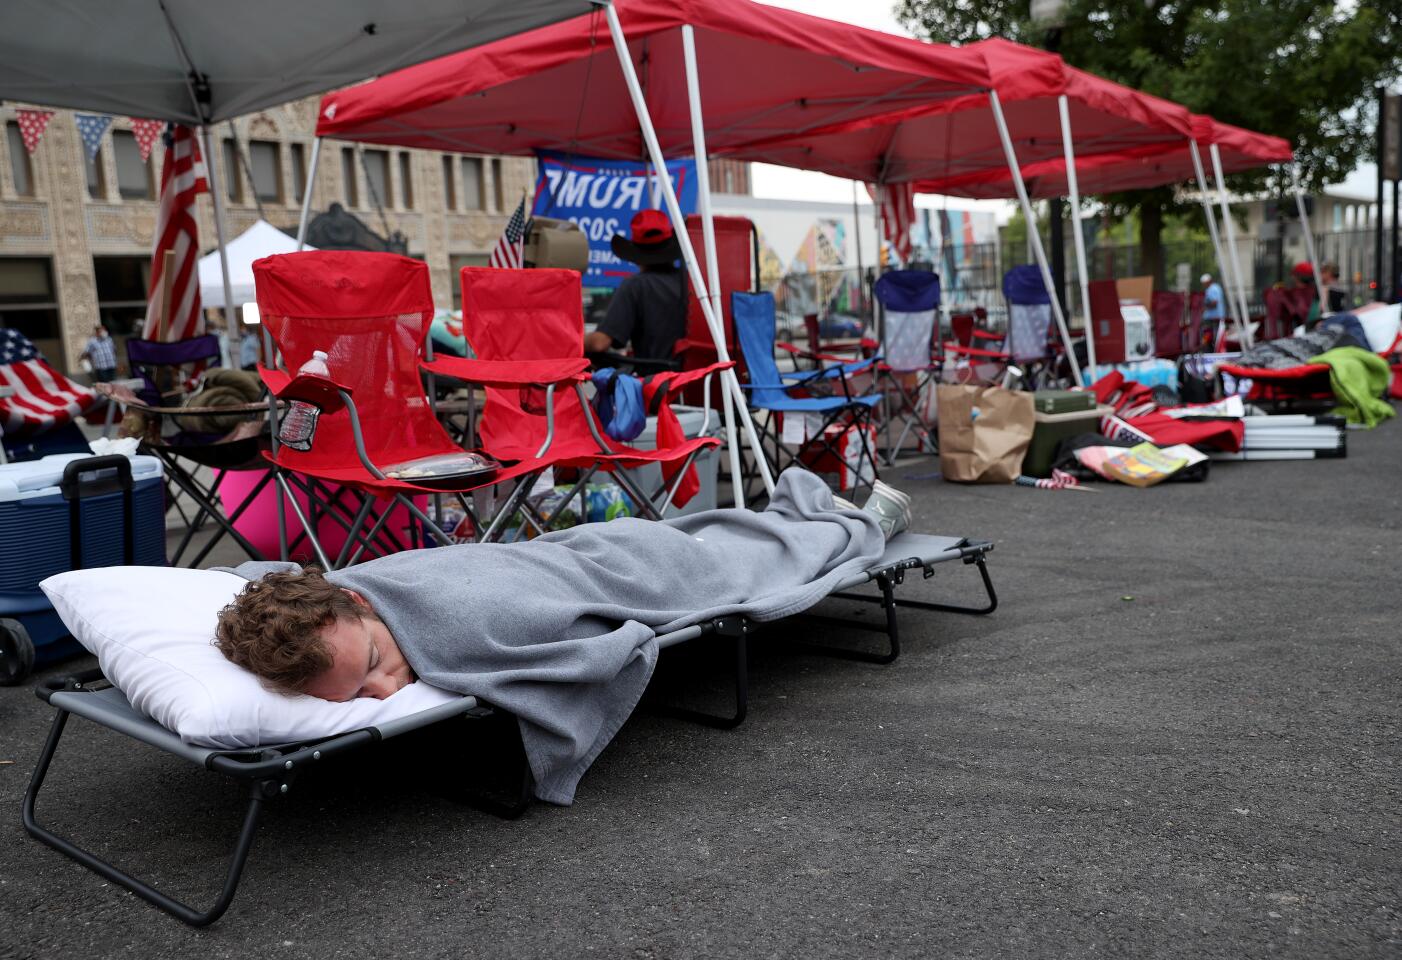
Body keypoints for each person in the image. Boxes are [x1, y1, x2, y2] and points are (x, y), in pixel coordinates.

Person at [213, 470, 911, 804]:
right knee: (724, 533)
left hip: (637, 566)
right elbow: (270, 585)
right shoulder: (340, 606)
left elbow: (612, 642)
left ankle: (850, 521)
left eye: (375, 661)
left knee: (749, 558)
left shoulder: (422, 613)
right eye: (359, 696)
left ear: (356, 600)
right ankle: (812, 518)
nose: (387, 688)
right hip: (584, 552)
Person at [583, 209, 689, 362]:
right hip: (696, 378)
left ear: (636, 257)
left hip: (655, 380)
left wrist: (573, 340)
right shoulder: (691, 282)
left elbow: (600, 343)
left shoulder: (636, 285)